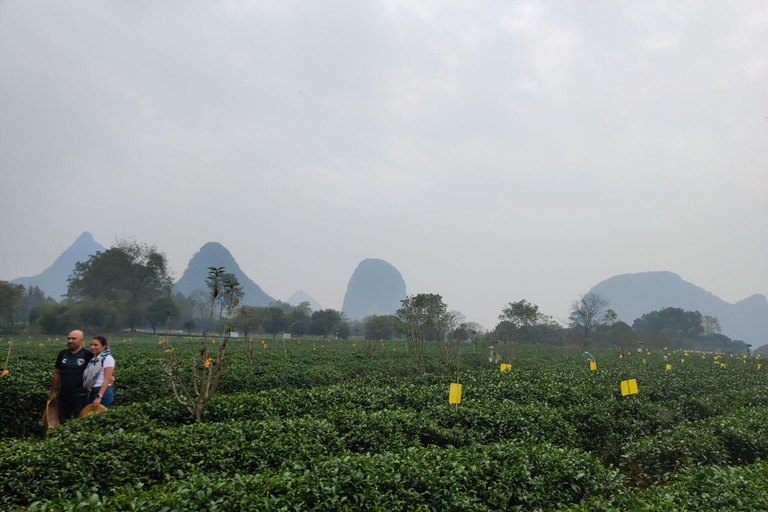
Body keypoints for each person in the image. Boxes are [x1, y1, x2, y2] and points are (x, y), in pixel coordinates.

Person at [49, 330, 93, 421]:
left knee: (80, 419)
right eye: (69, 338)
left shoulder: (87, 354)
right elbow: (57, 373)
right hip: (64, 394)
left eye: (73, 339)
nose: (70, 341)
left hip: (80, 394)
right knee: (63, 419)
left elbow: (97, 369)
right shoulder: (63, 354)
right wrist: (53, 392)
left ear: (81, 340)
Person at [84, 335, 115, 407]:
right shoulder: (94, 359)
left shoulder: (107, 358)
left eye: (95, 345)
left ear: (104, 346)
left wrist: (99, 396)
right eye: (91, 345)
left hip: (102, 391)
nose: (92, 347)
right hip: (93, 390)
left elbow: (107, 379)